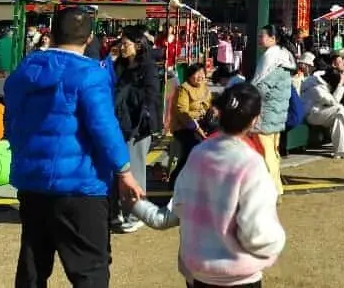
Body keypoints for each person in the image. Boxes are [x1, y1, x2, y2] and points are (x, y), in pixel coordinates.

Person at [5, 6, 143, 287]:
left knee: (33, 265)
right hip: (81, 184)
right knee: (89, 270)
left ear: (52, 33)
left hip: (33, 181)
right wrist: (124, 171)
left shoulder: (26, 69)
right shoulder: (90, 73)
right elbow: (104, 127)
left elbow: (12, 120)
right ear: (90, 38)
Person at [130, 83, 286, 288]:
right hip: (239, 276)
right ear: (255, 120)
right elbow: (258, 234)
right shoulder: (251, 164)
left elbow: (176, 209)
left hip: (199, 274)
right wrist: (276, 242)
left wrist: (135, 203)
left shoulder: (198, 154)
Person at [109, 25, 161, 233]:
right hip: (119, 123)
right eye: (121, 43)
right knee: (117, 168)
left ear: (138, 45)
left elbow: (152, 96)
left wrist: (128, 95)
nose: (122, 47)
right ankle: (115, 212)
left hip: (138, 126)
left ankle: (136, 214)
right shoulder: (118, 65)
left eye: (126, 44)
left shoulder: (147, 67)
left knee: (135, 169)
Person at [250, 24, 294, 198]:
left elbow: (262, 87)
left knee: (266, 152)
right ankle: (276, 187)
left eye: (263, 36)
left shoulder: (272, 59)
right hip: (276, 112)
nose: (260, 39)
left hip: (266, 113)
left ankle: (273, 189)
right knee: (273, 151)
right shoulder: (283, 58)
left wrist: (247, 92)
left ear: (273, 39)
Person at [169, 63, 213, 188]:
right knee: (194, 148)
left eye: (202, 73)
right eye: (196, 74)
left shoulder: (205, 88)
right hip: (184, 127)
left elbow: (210, 107)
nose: (200, 76)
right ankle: (176, 179)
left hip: (202, 125)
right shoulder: (183, 89)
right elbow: (182, 112)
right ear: (189, 76)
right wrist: (198, 127)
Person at [300, 61, 344, 159]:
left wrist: (341, 83)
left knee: (338, 117)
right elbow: (334, 102)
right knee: (339, 109)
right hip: (311, 114)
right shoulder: (316, 88)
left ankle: (340, 150)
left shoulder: (319, 80)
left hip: (318, 111)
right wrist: (341, 85)